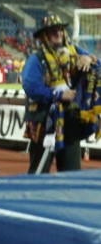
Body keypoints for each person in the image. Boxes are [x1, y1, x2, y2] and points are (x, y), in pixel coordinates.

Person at [22, 15, 101, 174]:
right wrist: (58, 95)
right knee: (38, 173)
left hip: (70, 122)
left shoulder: (76, 52)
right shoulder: (37, 59)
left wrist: (89, 58)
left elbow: (98, 65)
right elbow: (31, 86)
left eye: (60, 30)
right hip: (44, 122)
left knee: (72, 174)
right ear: (44, 36)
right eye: (52, 31)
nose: (57, 33)